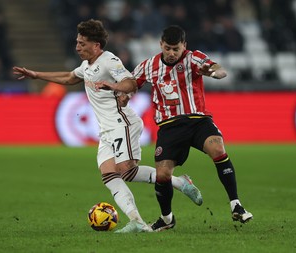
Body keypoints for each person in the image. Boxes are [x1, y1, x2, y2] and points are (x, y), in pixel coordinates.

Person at [12, 19, 203, 233]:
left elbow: (130, 82)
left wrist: (117, 88)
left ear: (96, 45)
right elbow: (68, 76)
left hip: (123, 123)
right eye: (77, 42)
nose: (77, 47)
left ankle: (178, 182)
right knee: (109, 175)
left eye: (82, 43)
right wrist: (36, 74)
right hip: (106, 129)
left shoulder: (109, 60)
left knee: (125, 170)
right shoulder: (86, 66)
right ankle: (138, 222)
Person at [98, 25, 253, 232]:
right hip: (169, 126)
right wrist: (125, 95)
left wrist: (216, 73)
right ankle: (167, 218)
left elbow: (215, 67)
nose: (171, 53)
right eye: (168, 48)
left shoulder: (193, 58)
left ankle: (236, 205)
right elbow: (133, 83)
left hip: (197, 120)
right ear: (161, 44)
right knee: (163, 175)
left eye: (176, 49)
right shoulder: (149, 65)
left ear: (184, 46)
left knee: (218, 149)